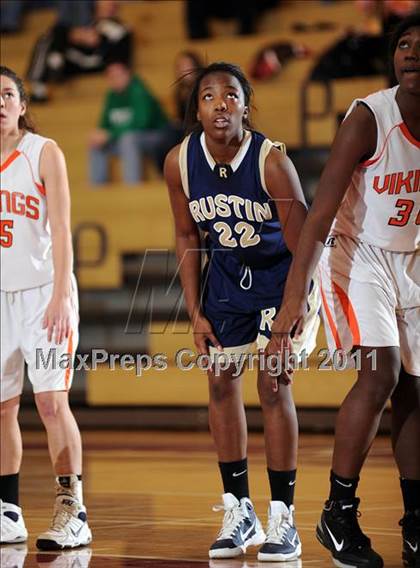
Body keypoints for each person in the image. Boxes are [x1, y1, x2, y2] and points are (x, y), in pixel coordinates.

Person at [273, 14, 420, 568]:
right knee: (380, 373)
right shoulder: (369, 116)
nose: (412, 53)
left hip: (413, 258)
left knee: (415, 390)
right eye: (404, 45)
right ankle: (338, 514)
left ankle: (415, 522)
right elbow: (320, 213)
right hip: (358, 257)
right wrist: (294, 298)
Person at [164, 61, 320, 560]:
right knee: (219, 381)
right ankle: (239, 510)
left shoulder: (272, 162)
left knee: (273, 383)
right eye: (208, 96)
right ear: (197, 109)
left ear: (246, 106)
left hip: (285, 278)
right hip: (228, 280)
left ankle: (284, 518)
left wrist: (289, 319)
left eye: (230, 95)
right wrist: (194, 312)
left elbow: (305, 248)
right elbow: (188, 235)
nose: (220, 104)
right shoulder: (180, 162)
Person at [0, 66, 91, 550]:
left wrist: (59, 294)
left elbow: (61, 229)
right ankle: (8, 512)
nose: (0, 102)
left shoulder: (43, 151)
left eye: (8, 94)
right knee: (2, 408)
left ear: (22, 103)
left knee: (52, 402)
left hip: (43, 294)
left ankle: (72, 510)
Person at [26, 0, 132, 103]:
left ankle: (53, 67)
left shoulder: (117, 26)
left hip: (98, 61)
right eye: (102, 2)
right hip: (80, 59)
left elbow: (114, 45)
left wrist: (93, 37)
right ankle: (53, 66)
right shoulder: (92, 23)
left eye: (109, 3)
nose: (106, 4)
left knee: (56, 35)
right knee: (51, 36)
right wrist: (77, 35)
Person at [88, 61, 169, 185]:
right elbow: (104, 125)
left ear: (128, 74)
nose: (115, 80)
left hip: (155, 136)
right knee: (96, 144)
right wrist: (100, 135)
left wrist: (110, 135)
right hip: (126, 138)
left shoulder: (139, 91)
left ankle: (132, 187)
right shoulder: (111, 96)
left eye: (118, 75)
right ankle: (97, 190)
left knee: (128, 140)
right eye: (111, 77)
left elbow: (141, 123)